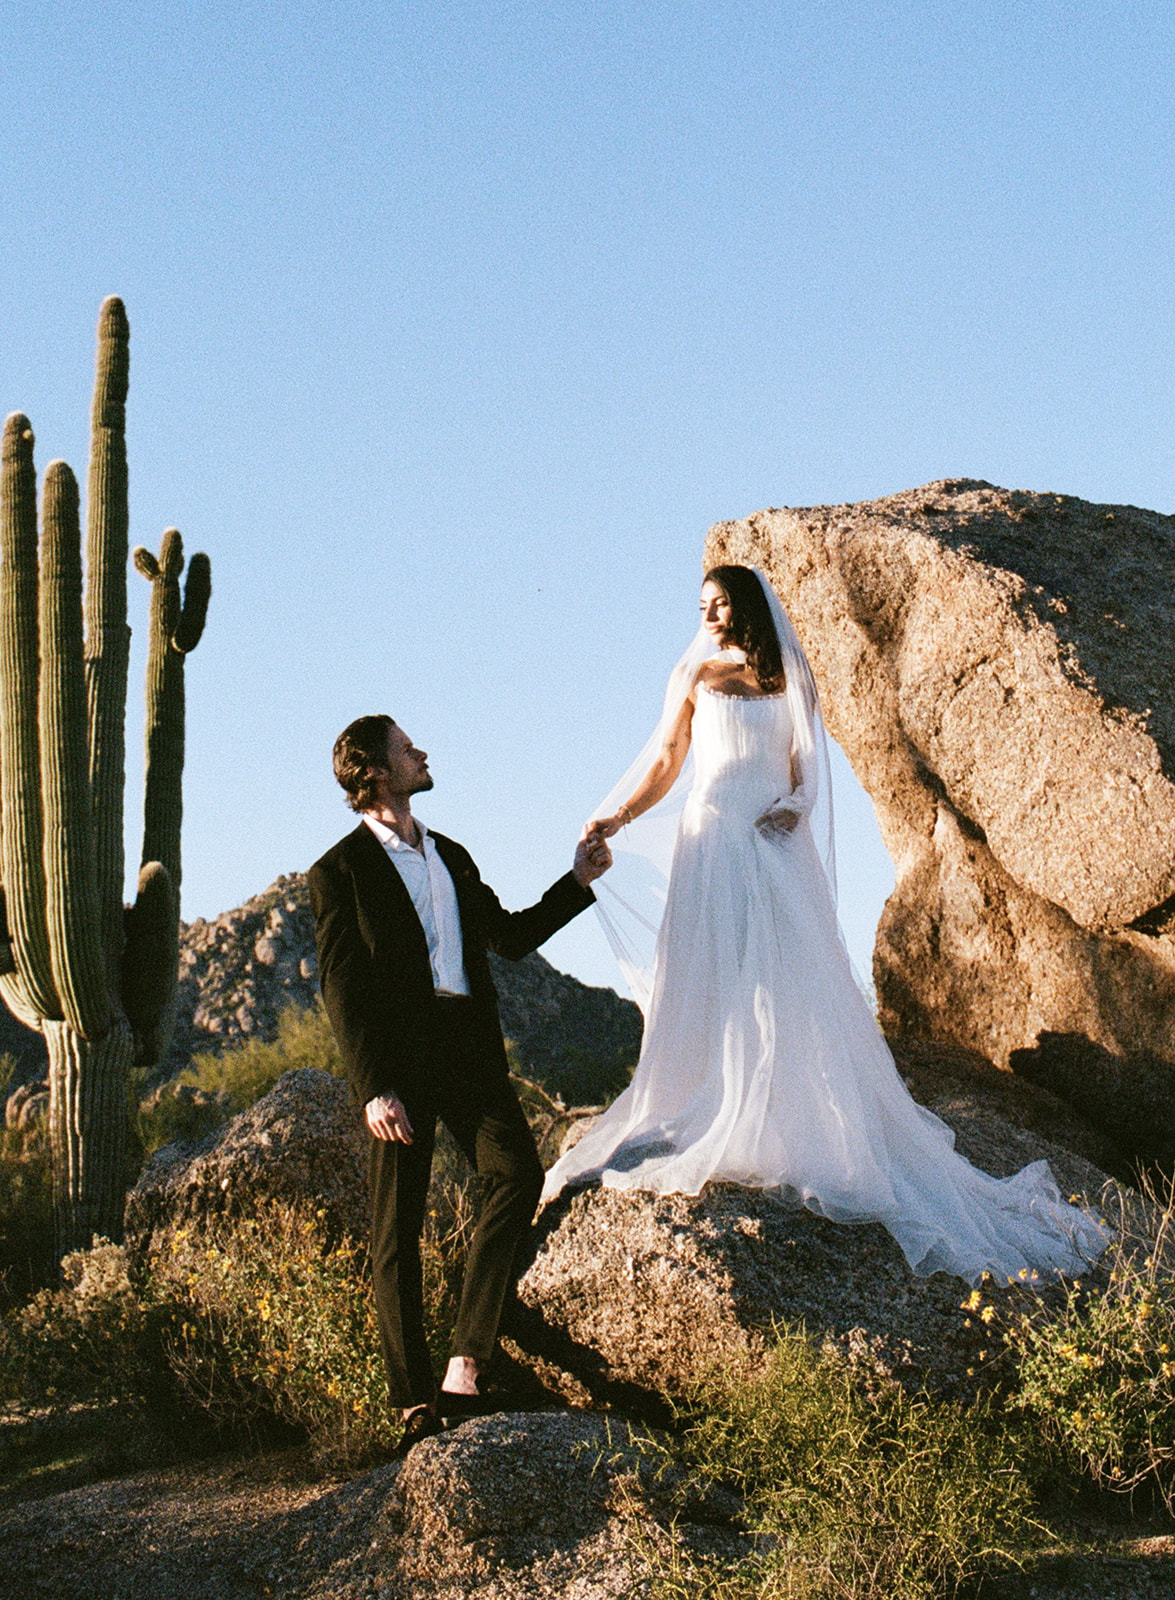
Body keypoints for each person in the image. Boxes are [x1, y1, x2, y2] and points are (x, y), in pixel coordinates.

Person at [542, 565, 1109, 1285]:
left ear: (747, 606)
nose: (708, 615)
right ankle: (711, 1098)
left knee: (786, 977)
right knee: (710, 969)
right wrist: (615, 815)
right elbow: (665, 757)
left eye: (719, 604)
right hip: (710, 834)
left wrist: (797, 805)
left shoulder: (788, 675)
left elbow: (808, 763)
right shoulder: (693, 673)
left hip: (771, 839)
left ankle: (782, 1108)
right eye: (700, 606)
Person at [309, 713, 611, 1454]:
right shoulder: (337, 871)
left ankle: (464, 1366)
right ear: (376, 771)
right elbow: (342, 987)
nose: (421, 753)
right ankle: (411, 1400)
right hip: (399, 1065)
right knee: (396, 1231)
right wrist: (372, 1087)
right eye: (407, 749)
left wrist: (576, 882)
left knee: (516, 1172)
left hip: (468, 1046)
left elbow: (507, 938)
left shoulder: (451, 855)